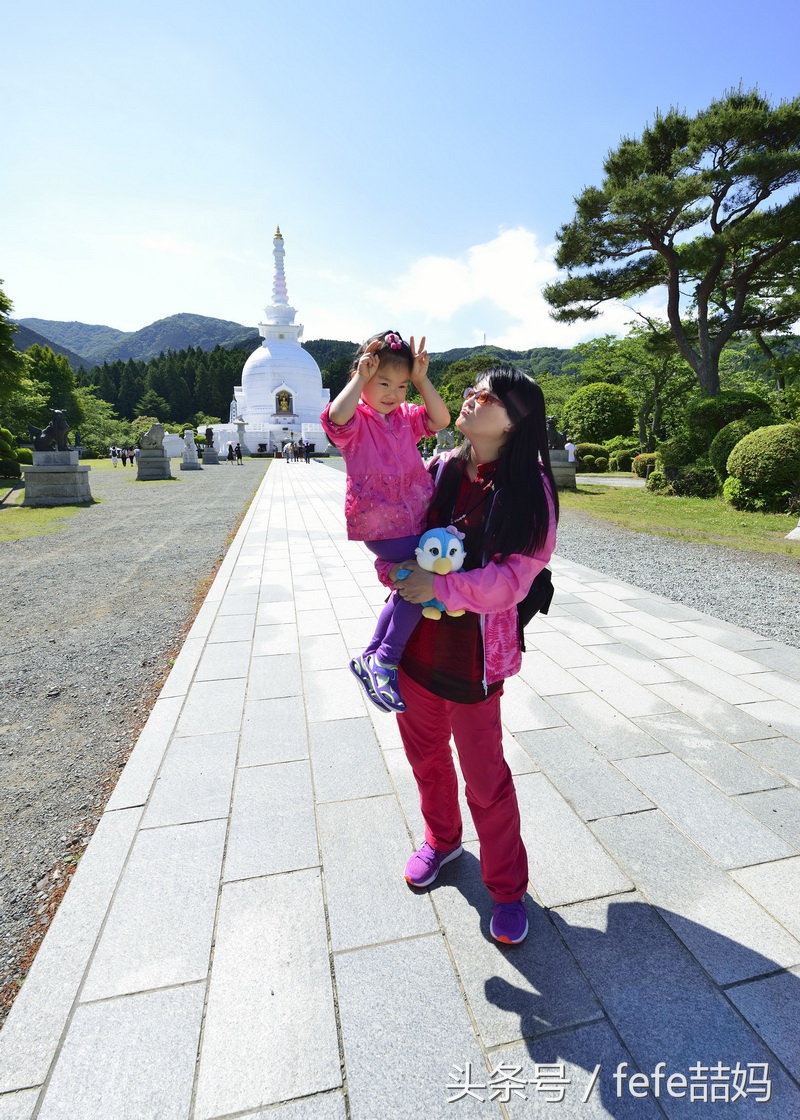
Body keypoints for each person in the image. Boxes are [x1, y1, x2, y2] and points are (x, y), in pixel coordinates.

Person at [382, 367, 558, 945]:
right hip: (414, 652)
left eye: (487, 396)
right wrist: (395, 569)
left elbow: (513, 578)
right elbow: (396, 530)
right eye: (472, 390)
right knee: (426, 759)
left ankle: (506, 889)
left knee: (486, 779)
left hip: (473, 663)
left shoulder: (530, 490)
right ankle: (442, 839)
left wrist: (441, 589)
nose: (470, 398)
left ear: (516, 420)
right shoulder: (441, 468)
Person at [320, 330, 450, 713]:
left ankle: (373, 657)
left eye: (402, 385)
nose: (393, 393)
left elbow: (440, 419)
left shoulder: (406, 417)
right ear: (362, 379)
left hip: (415, 516)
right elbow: (335, 417)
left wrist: (423, 380)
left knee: (411, 581)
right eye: (383, 383)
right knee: (422, 581)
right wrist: (359, 378)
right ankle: (386, 660)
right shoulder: (357, 420)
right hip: (381, 523)